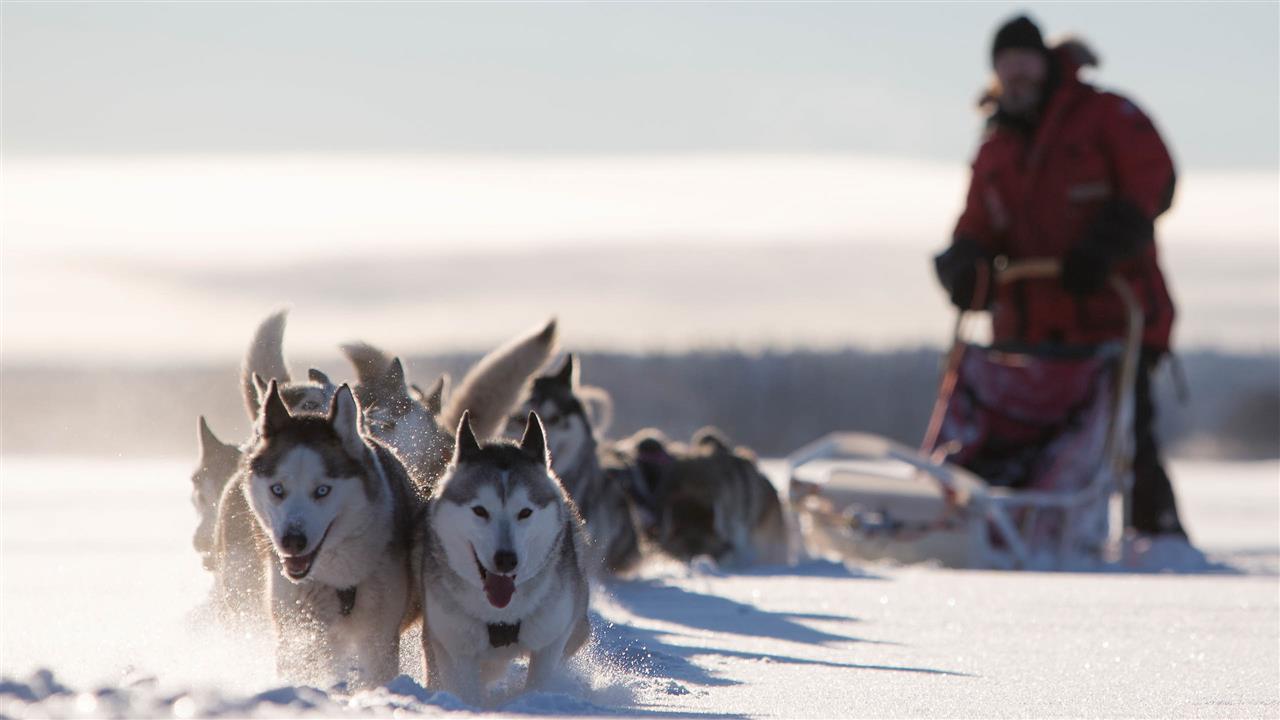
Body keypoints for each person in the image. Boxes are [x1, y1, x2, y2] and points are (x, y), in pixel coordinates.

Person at [933, 14, 1187, 539]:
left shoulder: (1105, 116)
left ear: (1046, 63)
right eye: (1006, 66)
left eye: (1025, 61)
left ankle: (1160, 543)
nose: (1017, 74)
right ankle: (1003, 535)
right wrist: (965, 262)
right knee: (1016, 445)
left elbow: (1153, 181)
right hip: (1028, 338)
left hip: (1113, 321)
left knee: (1128, 440)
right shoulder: (996, 149)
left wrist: (1102, 248)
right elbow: (978, 224)